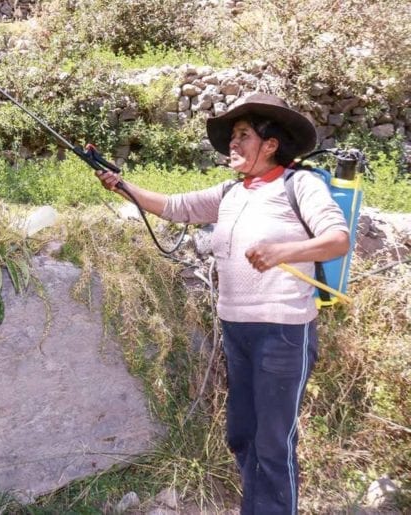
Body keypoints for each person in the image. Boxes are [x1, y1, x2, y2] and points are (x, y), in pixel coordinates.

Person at [96, 93, 350, 514]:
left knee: (273, 439)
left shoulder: (299, 184)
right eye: (232, 136)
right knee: (242, 432)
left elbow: (337, 239)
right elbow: (175, 208)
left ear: (270, 145)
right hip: (237, 330)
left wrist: (282, 251)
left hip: (284, 333)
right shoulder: (231, 193)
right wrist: (123, 185)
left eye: (243, 135)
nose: (233, 144)